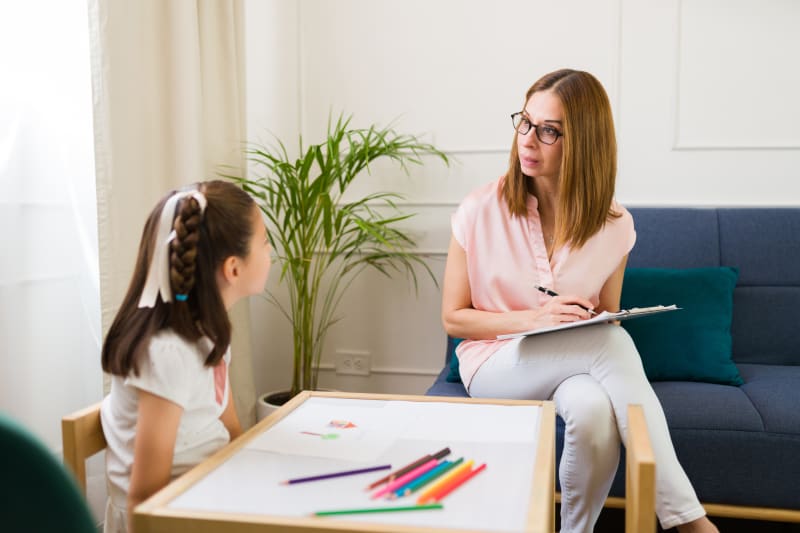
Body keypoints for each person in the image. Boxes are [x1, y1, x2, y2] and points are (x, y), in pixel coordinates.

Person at [441, 69, 718, 533]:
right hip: (492, 364)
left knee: (593, 414)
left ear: (584, 142)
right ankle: (689, 520)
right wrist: (538, 318)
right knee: (609, 347)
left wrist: (582, 322)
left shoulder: (615, 226)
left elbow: (604, 317)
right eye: (524, 122)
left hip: (574, 363)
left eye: (549, 131)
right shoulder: (479, 209)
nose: (528, 140)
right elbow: (454, 319)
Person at [99, 180, 271, 532]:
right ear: (233, 268)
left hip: (210, 491)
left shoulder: (209, 332)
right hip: (174, 515)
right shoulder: (168, 355)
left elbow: (231, 429)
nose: (270, 253)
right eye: (265, 244)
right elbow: (144, 500)